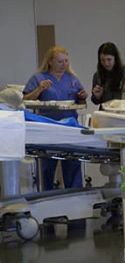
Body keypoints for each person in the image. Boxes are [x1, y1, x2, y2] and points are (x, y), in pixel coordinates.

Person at [23, 46, 88, 189]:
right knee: (46, 166)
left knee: (72, 163)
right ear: (50, 61)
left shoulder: (72, 80)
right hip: (48, 127)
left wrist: (83, 96)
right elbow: (25, 100)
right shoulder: (39, 78)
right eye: (60, 61)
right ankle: (44, 195)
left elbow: (82, 102)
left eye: (66, 61)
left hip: (69, 126)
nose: (63, 64)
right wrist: (39, 89)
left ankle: (74, 196)